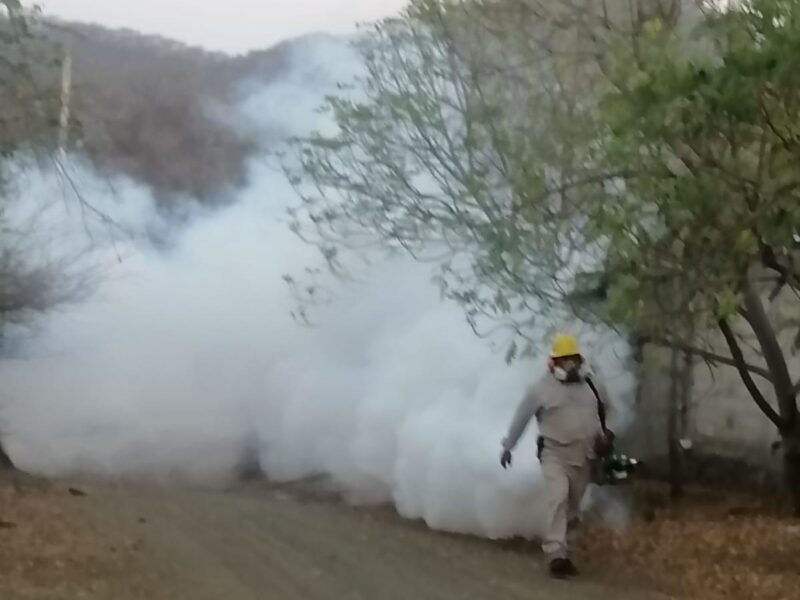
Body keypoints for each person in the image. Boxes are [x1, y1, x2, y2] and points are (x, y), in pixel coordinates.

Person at [500, 333, 613, 579]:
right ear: (554, 362)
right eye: (563, 360)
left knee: (572, 506)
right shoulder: (540, 389)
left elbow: (605, 411)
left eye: (572, 358)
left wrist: (604, 436)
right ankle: (555, 554)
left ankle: (565, 552)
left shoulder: (593, 385)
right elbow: (521, 418)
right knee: (558, 496)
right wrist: (508, 446)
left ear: (579, 359)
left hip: (584, 455)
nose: (569, 364)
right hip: (554, 454)